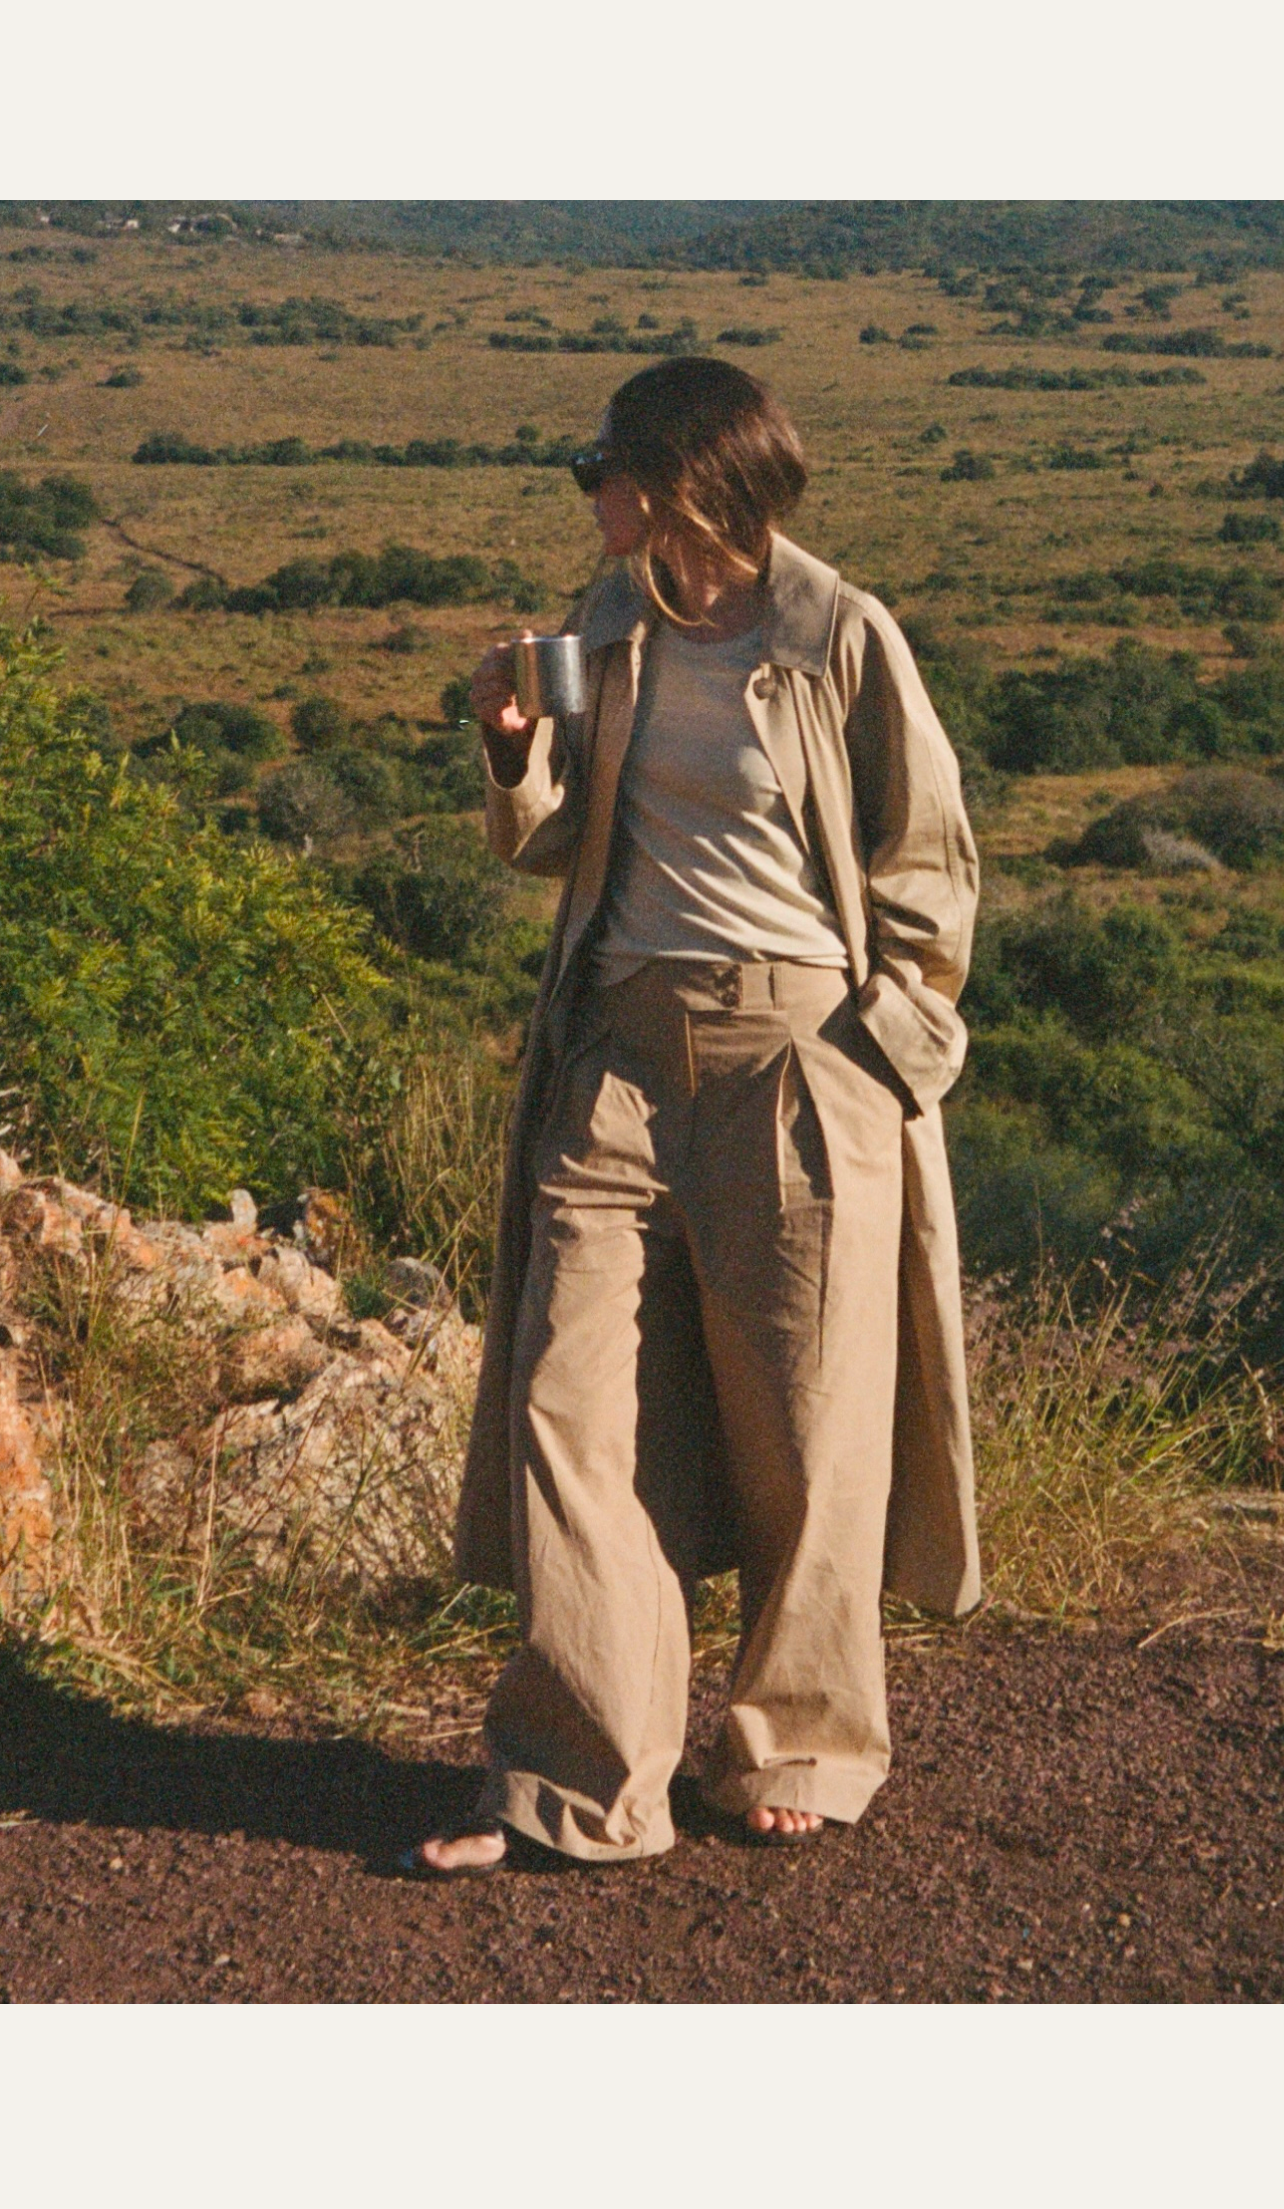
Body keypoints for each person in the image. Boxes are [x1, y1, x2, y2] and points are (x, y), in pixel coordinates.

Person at [405, 356, 981, 1877]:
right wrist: (512, 749)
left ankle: (798, 1742)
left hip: (798, 1055)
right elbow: (555, 842)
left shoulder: (839, 638)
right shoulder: (602, 624)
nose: (583, 487)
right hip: (613, 1052)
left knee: (807, 1426)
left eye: (599, 463)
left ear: (678, 482)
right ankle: (581, 1779)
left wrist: (888, 1050)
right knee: (568, 1407)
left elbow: (929, 864)